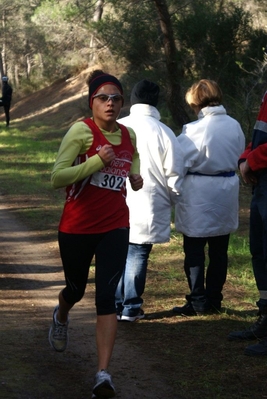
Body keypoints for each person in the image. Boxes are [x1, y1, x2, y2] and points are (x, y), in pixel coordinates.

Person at [49, 69, 143, 398]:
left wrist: (135, 176)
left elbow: (133, 159)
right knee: (75, 290)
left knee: (107, 298)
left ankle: (103, 373)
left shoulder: (129, 134)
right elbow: (57, 177)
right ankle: (62, 313)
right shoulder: (81, 131)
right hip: (77, 226)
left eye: (116, 98)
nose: (111, 103)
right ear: (92, 102)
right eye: (103, 98)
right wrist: (94, 161)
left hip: (115, 225)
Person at [173, 79, 245, 316]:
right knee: (218, 250)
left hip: (199, 193)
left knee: (194, 250)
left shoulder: (195, 129)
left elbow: (178, 160)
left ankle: (197, 300)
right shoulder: (234, 125)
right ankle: (215, 299)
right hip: (225, 189)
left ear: (195, 102)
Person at [115, 79, 185, 322]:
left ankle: (116, 304)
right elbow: (175, 172)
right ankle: (131, 307)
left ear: (132, 99)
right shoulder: (164, 131)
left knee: (119, 252)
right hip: (150, 202)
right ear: (156, 102)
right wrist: (172, 199)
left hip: (116, 199)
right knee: (138, 253)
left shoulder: (118, 126)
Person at [227, 89, 267, 356]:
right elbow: (259, 135)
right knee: (260, 253)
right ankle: (265, 319)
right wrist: (245, 160)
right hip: (262, 184)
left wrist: (251, 160)